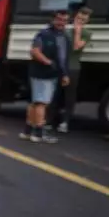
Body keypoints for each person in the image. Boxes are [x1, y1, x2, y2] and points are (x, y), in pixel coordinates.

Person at [22, 9, 69, 144]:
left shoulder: (63, 36)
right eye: (59, 19)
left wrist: (64, 74)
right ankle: (39, 133)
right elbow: (34, 51)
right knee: (41, 103)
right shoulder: (44, 34)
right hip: (41, 73)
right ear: (53, 19)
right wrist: (48, 62)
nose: (62, 22)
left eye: (65, 20)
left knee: (35, 102)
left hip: (52, 74)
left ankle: (28, 131)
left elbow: (63, 57)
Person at [52, 6, 93, 133]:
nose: (81, 20)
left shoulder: (86, 33)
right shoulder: (66, 30)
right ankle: (48, 120)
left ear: (87, 21)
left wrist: (78, 31)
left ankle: (65, 122)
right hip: (60, 66)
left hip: (73, 68)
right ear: (75, 17)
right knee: (55, 94)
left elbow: (76, 47)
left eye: (84, 19)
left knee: (69, 96)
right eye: (79, 18)